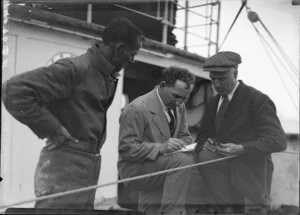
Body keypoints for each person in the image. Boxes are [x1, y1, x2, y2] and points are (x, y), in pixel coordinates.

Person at [2, 17, 144, 209]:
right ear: (119, 48)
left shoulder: (105, 74)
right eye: (131, 54)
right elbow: (13, 90)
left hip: (88, 166)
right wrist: (54, 130)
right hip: (63, 168)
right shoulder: (74, 69)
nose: (133, 60)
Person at [194, 51, 287, 213]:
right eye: (212, 79)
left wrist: (242, 148)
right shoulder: (213, 103)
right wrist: (205, 143)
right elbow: (202, 135)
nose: (216, 84)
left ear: (235, 73)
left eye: (221, 78)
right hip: (220, 183)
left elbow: (278, 141)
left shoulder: (257, 100)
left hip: (250, 176)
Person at [118, 67, 195, 215]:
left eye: (185, 98)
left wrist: (183, 145)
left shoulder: (179, 106)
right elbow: (126, 150)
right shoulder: (136, 108)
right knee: (182, 161)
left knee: (150, 208)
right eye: (176, 96)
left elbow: (185, 136)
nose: (179, 102)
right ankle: (172, 212)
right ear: (163, 85)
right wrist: (162, 147)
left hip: (162, 165)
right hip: (136, 169)